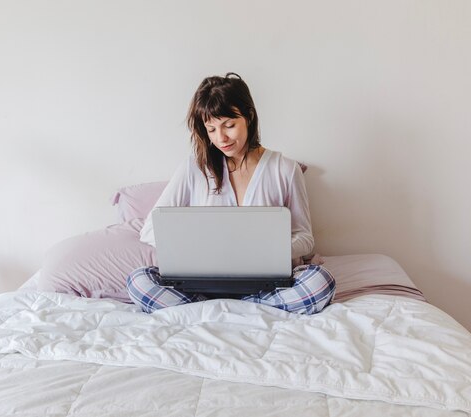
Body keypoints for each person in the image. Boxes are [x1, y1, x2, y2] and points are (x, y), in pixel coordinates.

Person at [126, 72, 335, 314]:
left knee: (321, 282)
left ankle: (211, 312)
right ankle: (247, 313)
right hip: (202, 284)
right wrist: (196, 246)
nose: (220, 138)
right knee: (138, 281)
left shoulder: (285, 169)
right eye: (211, 129)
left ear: (249, 116)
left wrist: (268, 251)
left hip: (265, 286)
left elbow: (305, 239)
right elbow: (150, 230)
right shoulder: (194, 168)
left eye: (229, 125)